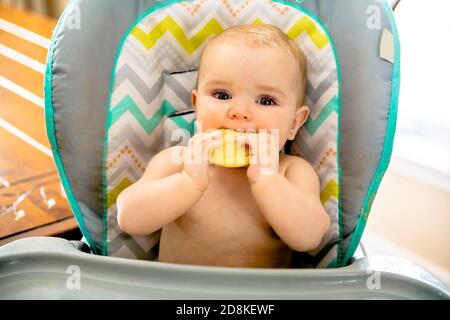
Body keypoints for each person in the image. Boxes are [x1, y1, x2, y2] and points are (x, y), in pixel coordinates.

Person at [117, 24, 330, 268]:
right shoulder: (177, 161)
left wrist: (267, 180)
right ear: (197, 106)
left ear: (294, 123)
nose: (239, 112)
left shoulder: (291, 171)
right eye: (222, 95)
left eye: (266, 100)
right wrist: (187, 183)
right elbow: (128, 218)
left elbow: (310, 238)